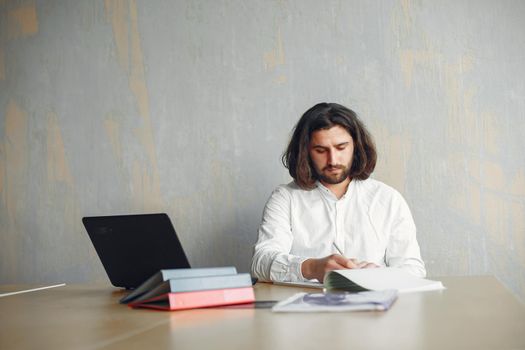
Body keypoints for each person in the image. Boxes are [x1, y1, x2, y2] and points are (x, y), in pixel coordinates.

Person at [251, 102, 426, 283]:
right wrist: (312, 268)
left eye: (341, 147)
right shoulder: (285, 198)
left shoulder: (388, 198)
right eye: (320, 150)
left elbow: (413, 269)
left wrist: (379, 274)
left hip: (376, 307)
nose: (333, 160)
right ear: (306, 152)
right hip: (305, 308)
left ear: (356, 147)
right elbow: (261, 262)